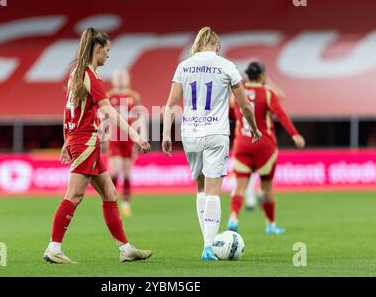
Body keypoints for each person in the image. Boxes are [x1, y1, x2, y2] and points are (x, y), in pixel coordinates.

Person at [43, 27, 152, 264]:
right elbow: (109, 112)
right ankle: (54, 247)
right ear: (98, 48)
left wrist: (66, 140)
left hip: (79, 139)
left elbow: (68, 110)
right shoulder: (91, 77)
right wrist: (134, 134)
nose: (109, 56)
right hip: (86, 141)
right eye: (107, 50)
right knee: (75, 194)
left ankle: (125, 249)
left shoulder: (75, 72)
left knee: (110, 192)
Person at [162, 27, 261, 261]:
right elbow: (245, 105)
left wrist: (166, 134)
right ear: (217, 46)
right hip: (216, 133)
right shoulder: (226, 65)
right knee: (214, 192)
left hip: (190, 134)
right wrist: (253, 127)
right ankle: (208, 246)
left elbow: (170, 103)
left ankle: (206, 242)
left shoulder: (184, 66)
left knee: (201, 188)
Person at [227, 61, 305, 234]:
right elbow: (281, 114)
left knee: (239, 186)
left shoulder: (236, 93)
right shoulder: (268, 93)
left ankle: (233, 217)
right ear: (262, 76)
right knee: (266, 187)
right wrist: (294, 134)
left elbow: (230, 114)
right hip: (264, 146)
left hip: (242, 144)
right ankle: (270, 224)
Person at [105, 69, 144, 217]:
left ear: (128, 79)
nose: (120, 79)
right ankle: (111, 202)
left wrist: (138, 136)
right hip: (114, 138)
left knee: (127, 172)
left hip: (129, 138)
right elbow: (104, 117)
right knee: (115, 170)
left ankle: (126, 204)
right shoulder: (109, 96)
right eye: (117, 76)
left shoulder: (134, 96)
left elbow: (138, 117)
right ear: (113, 79)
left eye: (123, 76)